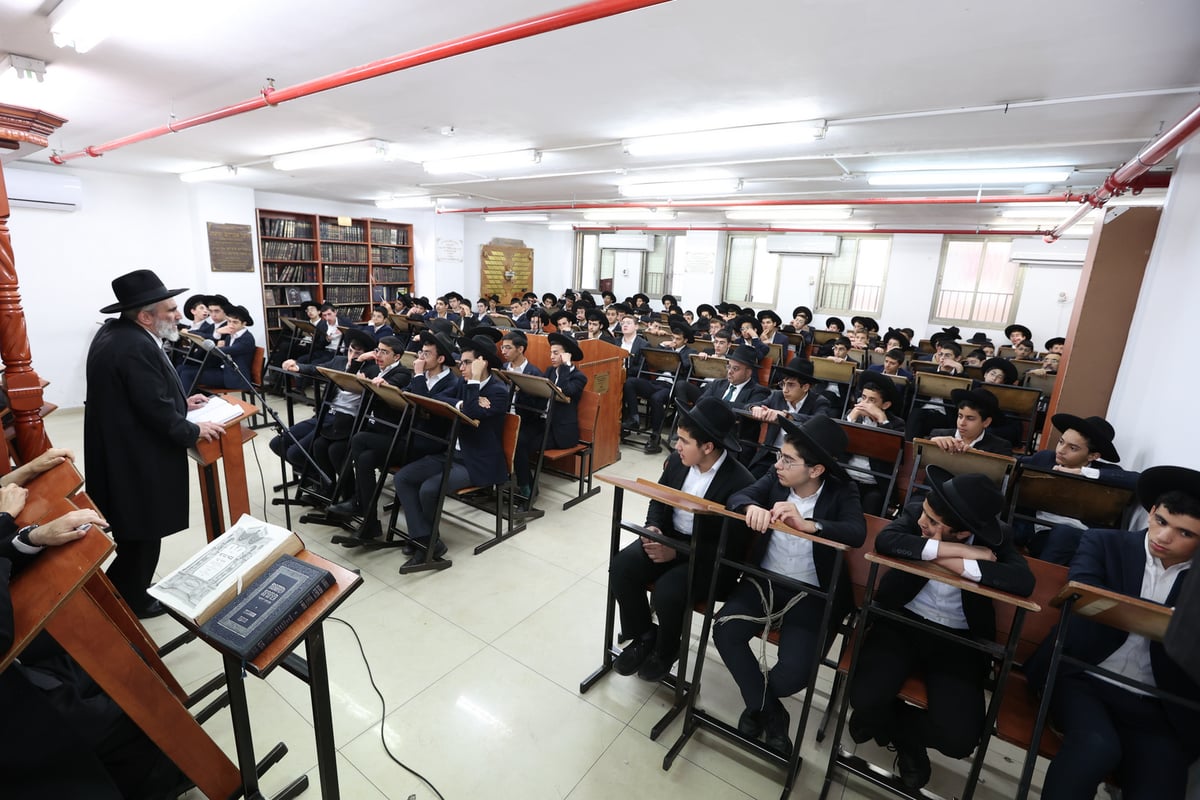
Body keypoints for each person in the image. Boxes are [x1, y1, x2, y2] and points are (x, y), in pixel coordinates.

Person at [848, 466, 1035, 790]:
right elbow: (889, 541)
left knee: (959, 739)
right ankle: (891, 727)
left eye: (934, 524)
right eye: (925, 515)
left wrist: (942, 558)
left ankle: (901, 735)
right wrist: (964, 552)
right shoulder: (920, 510)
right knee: (863, 699)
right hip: (901, 622)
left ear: (964, 531)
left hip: (959, 640)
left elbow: (1022, 581)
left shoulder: (998, 535)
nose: (923, 523)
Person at [1024, 466, 1200, 800]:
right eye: (1161, 521)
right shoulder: (1105, 542)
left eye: (1185, 533)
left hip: (1157, 702)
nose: (1164, 537)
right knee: (1095, 747)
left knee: (1162, 778)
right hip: (1084, 677)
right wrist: (1170, 621)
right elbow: (1084, 592)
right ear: (1151, 512)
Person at [716, 416, 865, 754]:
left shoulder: (843, 490)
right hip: (764, 581)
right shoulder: (775, 478)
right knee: (725, 630)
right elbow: (738, 496)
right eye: (779, 456)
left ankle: (758, 704)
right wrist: (752, 506)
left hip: (812, 593)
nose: (778, 464)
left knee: (794, 675)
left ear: (816, 471)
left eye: (788, 460)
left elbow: (856, 532)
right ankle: (772, 714)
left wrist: (810, 525)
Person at [85, 270, 225, 619]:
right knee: (142, 532)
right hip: (136, 459)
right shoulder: (132, 345)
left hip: (123, 452)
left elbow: (143, 394)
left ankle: (123, 593)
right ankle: (128, 600)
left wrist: (182, 403)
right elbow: (151, 407)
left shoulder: (120, 333)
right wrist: (192, 431)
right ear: (146, 315)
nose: (179, 315)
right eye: (171, 310)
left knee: (137, 531)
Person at [609, 399, 754, 682]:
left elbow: (732, 548)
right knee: (623, 566)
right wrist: (654, 528)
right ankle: (643, 635)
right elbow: (658, 499)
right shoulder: (678, 461)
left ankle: (666, 649)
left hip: (709, 558)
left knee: (667, 591)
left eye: (684, 441)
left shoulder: (740, 482)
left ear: (708, 447)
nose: (676, 446)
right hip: (671, 539)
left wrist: (676, 553)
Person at [392, 335, 509, 567]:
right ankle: (427, 540)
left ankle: (424, 544)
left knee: (428, 489)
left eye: (467, 363)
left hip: (475, 461)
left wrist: (474, 384)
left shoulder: (499, 391)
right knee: (403, 478)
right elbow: (435, 398)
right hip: (451, 454)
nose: (460, 367)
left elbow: (474, 414)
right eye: (461, 362)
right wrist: (461, 403)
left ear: (481, 363)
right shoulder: (464, 385)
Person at [512, 332, 587, 503]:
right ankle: (527, 485)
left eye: (556, 353)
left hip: (560, 430)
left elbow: (565, 390)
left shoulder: (579, 377)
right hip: (542, 422)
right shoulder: (549, 371)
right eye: (551, 352)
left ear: (567, 355)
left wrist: (567, 365)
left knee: (521, 445)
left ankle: (527, 491)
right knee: (516, 439)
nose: (551, 356)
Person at [927, 387, 1013, 455]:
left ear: (986, 422)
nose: (962, 423)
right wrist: (931, 444)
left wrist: (977, 458)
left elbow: (998, 475)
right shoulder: (938, 435)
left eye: (970, 418)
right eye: (960, 416)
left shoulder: (1000, 447)